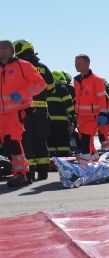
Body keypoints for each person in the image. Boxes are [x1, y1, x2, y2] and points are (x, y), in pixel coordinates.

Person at [0, 40, 46, 187]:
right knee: (8, 143)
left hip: (19, 110)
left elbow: (40, 84)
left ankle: (22, 174)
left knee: (13, 141)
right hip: (2, 114)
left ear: (8, 50)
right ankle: (21, 172)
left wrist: (22, 94)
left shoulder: (23, 65)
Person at [13, 40, 55, 181]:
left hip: (24, 110)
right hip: (42, 111)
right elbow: (51, 88)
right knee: (41, 141)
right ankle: (43, 172)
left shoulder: (19, 67)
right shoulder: (43, 67)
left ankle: (29, 173)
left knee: (26, 141)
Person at [73, 54, 109, 167]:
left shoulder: (97, 80)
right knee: (85, 140)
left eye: (78, 63)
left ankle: (84, 165)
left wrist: (103, 114)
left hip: (93, 116)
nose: (76, 65)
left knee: (86, 140)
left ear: (87, 64)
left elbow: (102, 98)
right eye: (75, 63)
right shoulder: (76, 80)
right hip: (81, 116)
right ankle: (95, 160)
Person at [46, 71, 75, 158]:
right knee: (63, 145)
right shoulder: (63, 89)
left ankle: (51, 163)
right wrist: (71, 120)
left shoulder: (44, 90)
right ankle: (63, 163)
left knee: (50, 143)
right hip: (61, 123)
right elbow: (70, 107)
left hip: (47, 122)